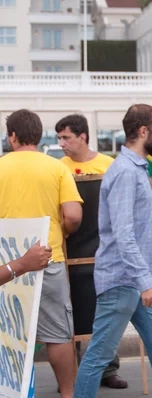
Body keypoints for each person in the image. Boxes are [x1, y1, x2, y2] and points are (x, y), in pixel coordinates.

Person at [74, 104, 152, 397]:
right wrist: (145, 282)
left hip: (135, 283)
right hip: (124, 282)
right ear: (143, 132)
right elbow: (124, 235)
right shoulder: (126, 171)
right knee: (98, 357)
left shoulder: (135, 167)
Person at [0, 109, 83, 398]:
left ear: (12, 136)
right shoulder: (57, 168)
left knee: (11, 334)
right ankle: (68, 392)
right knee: (58, 335)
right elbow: (73, 215)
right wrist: (62, 231)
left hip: (7, 263)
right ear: (38, 135)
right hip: (48, 258)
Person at [56, 114, 129, 389]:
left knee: (105, 309)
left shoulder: (108, 165)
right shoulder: (59, 168)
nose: (61, 143)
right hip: (70, 246)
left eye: (66, 137)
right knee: (72, 310)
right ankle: (74, 370)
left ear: (83, 136)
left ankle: (108, 368)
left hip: (104, 247)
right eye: (60, 138)